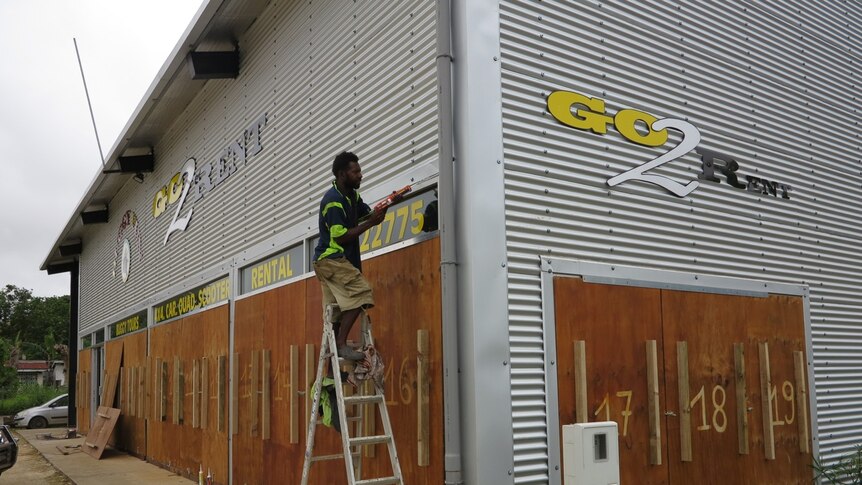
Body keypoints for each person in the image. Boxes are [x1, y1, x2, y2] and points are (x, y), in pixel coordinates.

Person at [313, 152, 386, 361]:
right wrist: (371, 223)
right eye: (356, 172)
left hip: (331, 262)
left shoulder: (352, 197)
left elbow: (367, 215)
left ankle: (328, 378)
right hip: (331, 260)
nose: (361, 175)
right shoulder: (333, 201)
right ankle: (341, 344)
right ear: (342, 174)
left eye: (360, 171)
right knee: (362, 293)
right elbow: (342, 237)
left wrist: (387, 204)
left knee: (334, 318)